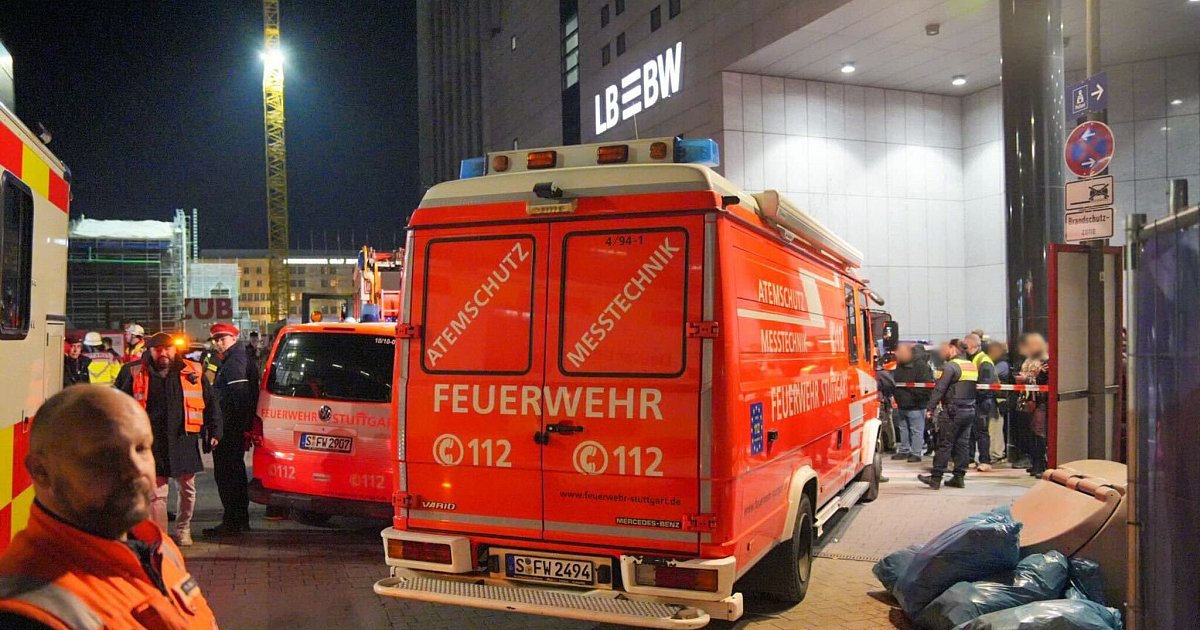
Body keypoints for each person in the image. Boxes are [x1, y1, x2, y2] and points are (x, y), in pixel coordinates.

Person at [0, 385, 218, 629]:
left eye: (142, 448)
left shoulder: (159, 547)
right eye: (105, 455)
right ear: (41, 471)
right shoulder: (26, 613)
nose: (135, 469)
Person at [115, 332, 222, 547]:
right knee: (157, 493)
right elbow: (119, 405)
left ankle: (183, 530)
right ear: (150, 350)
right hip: (153, 442)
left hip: (183, 439)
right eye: (158, 349)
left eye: (167, 348)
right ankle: (161, 538)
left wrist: (215, 431)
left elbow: (210, 403)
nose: (163, 353)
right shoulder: (133, 371)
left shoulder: (192, 371)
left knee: (188, 489)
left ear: (175, 350)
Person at [204, 323, 258, 538]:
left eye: (222, 338)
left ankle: (233, 520)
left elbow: (240, 396)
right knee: (233, 473)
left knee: (228, 474)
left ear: (234, 338)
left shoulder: (235, 360)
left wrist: (241, 427)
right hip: (232, 426)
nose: (218, 342)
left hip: (230, 427)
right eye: (215, 339)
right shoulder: (232, 358)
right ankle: (237, 520)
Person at [918, 340, 978, 489]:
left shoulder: (951, 366)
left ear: (953, 349)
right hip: (969, 410)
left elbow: (940, 389)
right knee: (962, 444)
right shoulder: (971, 365)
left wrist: (930, 408)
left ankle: (936, 478)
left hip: (953, 411)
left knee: (944, 444)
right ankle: (959, 477)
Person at [1016, 333, 1051, 477]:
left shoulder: (1045, 359)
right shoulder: (1029, 360)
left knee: (1039, 431)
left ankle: (1040, 464)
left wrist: (1029, 378)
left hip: (1040, 400)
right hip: (1029, 398)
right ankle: (1035, 462)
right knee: (1031, 431)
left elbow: (1045, 379)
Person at [890, 343, 932, 462]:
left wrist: (915, 397)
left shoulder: (920, 365)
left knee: (916, 430)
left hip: (916, 405)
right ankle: (905, 450)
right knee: (903, 428)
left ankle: (916, 453)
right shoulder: (901, 364)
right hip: (903, 403)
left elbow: (926, 386)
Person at [963, 334, 996, 472]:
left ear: (973, 346)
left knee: (981, 432)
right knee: (970, 431)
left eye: (966, 347)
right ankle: (970, 459)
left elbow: (985, 385)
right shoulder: (972, 359)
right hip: (973, 400)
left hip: (982, 401)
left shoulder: (984, 361)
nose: (964, 349)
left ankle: (985, 460)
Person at [988, 342, 1011, 463]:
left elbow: (992, 375)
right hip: (997, 399)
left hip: (999, 400)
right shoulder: (1002, 363)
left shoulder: (1001, 364)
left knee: (995, 427)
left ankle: (997, 453)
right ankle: (995, 453)